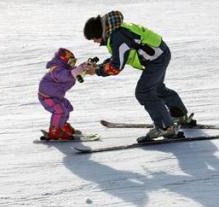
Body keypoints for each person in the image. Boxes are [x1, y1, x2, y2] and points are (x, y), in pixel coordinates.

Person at [83, 11, 196, 142]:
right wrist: (98, 67)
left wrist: (96, 71)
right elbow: (118, 57)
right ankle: (179, 116)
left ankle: (166, 128)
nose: (95, 42)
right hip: (159, 55)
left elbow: (115, 67)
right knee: (157, 88)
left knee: (144, 92)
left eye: (94, 38)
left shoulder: (117, 37)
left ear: (99, 33)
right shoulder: (117, 30)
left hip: (156, 59)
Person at [38, 48, 87, 140]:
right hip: (47, 97)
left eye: (74, 62)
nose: (72, 64)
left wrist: (84, 68)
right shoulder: (56, 70)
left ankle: (62, 125)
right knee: (59, 111)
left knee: (66, 107)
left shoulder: (65, 69)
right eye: (71, 61)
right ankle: (54, 131)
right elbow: (66, 75)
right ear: (63, 60)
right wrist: (79, 70)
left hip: (55, 96)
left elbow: (73, 73)